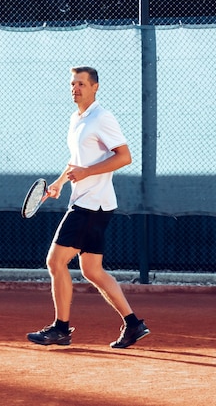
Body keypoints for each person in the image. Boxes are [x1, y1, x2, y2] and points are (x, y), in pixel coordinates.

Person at [27, 66, 150, 349]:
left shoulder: (102, 117)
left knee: (55, 262)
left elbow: (124, 157)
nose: (76, 88)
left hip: (91, 204)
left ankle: (61, 329)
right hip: (92, 203)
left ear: (95, 87)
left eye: (81, 84)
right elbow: (75, 159)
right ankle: (133, 325)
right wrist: (59, 183)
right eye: (73, 84)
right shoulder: (76, 119)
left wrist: (87, 173)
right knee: (92, 271)